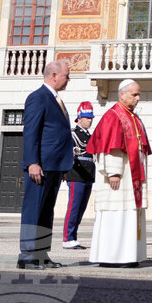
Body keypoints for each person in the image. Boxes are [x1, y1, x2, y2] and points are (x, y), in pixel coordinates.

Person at [86, 78, 152, 267]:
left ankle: (128, 255)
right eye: (134, 94)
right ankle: (112, 256)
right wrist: (113, 172)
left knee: (129, 215)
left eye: (138, 94)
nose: (138, 98)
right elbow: (110, 147)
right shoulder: (113, 116)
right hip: (119, 178)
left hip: (132, 178)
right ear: (122, 94)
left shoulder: (132, 116)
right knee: (116, 215)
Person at [18, 61, 75, 270]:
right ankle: (26, 255)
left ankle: (41, 253)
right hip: (40, 166)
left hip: (54, 166)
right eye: (67, 76)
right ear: (54, 75)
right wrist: (33, 162)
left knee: (45, 211)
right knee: (34, 209)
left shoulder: (55, 98)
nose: (69, 80)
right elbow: (31, 131)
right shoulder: (38, 97)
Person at [62, 102, 96, 248]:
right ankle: (67, 238)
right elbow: (66, 153)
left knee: (81, 209)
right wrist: (63, 171)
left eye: (91, 117)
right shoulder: (73, 134)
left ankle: (73, 236)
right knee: (74, 207)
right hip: (76, 173)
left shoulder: (90, 136)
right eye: (87, 117)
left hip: (88, 173)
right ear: (79, 118)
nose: (90, 120)